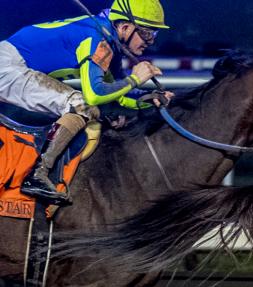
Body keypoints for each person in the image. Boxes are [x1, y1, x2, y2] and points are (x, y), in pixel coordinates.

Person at [0, 0, 173, 206]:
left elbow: (118, 93)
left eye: (154, 35)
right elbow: (94, 95)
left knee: (85, 106)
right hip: (8, 66)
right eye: (147, 33)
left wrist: (149, 100)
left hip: (14, 64)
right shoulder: (97, 37)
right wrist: (135, 79)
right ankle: (37, 174)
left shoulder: (110, 40)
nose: (150, 41)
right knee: (81, 104)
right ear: (125, 27)